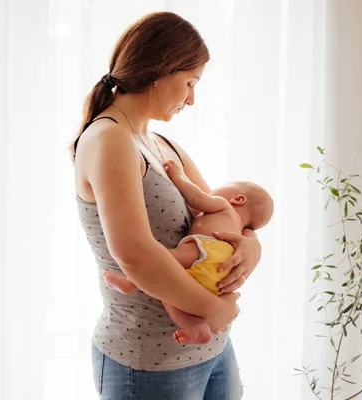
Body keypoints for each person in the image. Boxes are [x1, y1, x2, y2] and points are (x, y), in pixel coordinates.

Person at [71, 12, 262, 399]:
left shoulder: (161, 144)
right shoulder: (109, 139)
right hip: (148, 360)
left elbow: (223, 214)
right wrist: (215, 310)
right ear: (160, 69)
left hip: (211, 349)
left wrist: (251, 245)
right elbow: (136, 256)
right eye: (190, 83)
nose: (192, 98)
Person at [104, 159, 274, 345]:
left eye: (224, 186)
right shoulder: (239, 229)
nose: (214, 189)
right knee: (168, 295)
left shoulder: (223, 205)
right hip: (221, 273)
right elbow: (249, 237)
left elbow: (196, 198)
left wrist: (178, 175)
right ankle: (196, 326)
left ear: (238, 199)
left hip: (209, 247)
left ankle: (131, 282)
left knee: (165, 260)